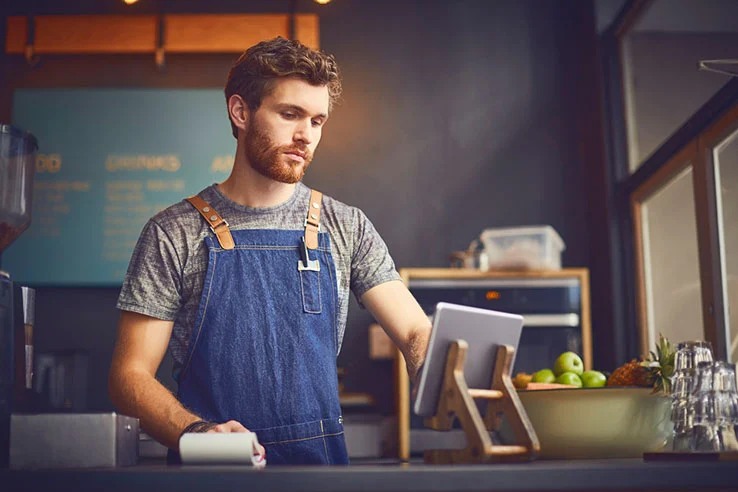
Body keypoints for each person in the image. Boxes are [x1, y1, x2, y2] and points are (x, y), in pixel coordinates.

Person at [108, 37, 431, 466]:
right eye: (289, 114)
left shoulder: (345, 225)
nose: (305, 136)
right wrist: (199, 433)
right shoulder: (172, 233)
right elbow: (128, 376)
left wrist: (441, 372)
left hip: (322, 474)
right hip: (214, 474)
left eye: (317, 121)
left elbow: (413, 332)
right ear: (241, 112)